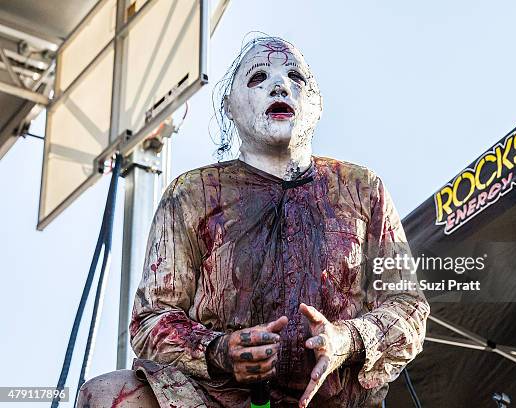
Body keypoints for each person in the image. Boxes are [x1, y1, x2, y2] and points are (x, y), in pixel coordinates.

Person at [76, 35, 429, 408]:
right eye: (258, 77)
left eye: (296, 77)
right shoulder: (192, 194)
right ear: (229, 106)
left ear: (317, 105)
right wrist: (219, 351)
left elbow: (408, 307)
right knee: (105, 396)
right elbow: (151, 319)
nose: (280, 85)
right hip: (216, 400)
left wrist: (346, 339)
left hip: (341, 401)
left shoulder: (364, 189)